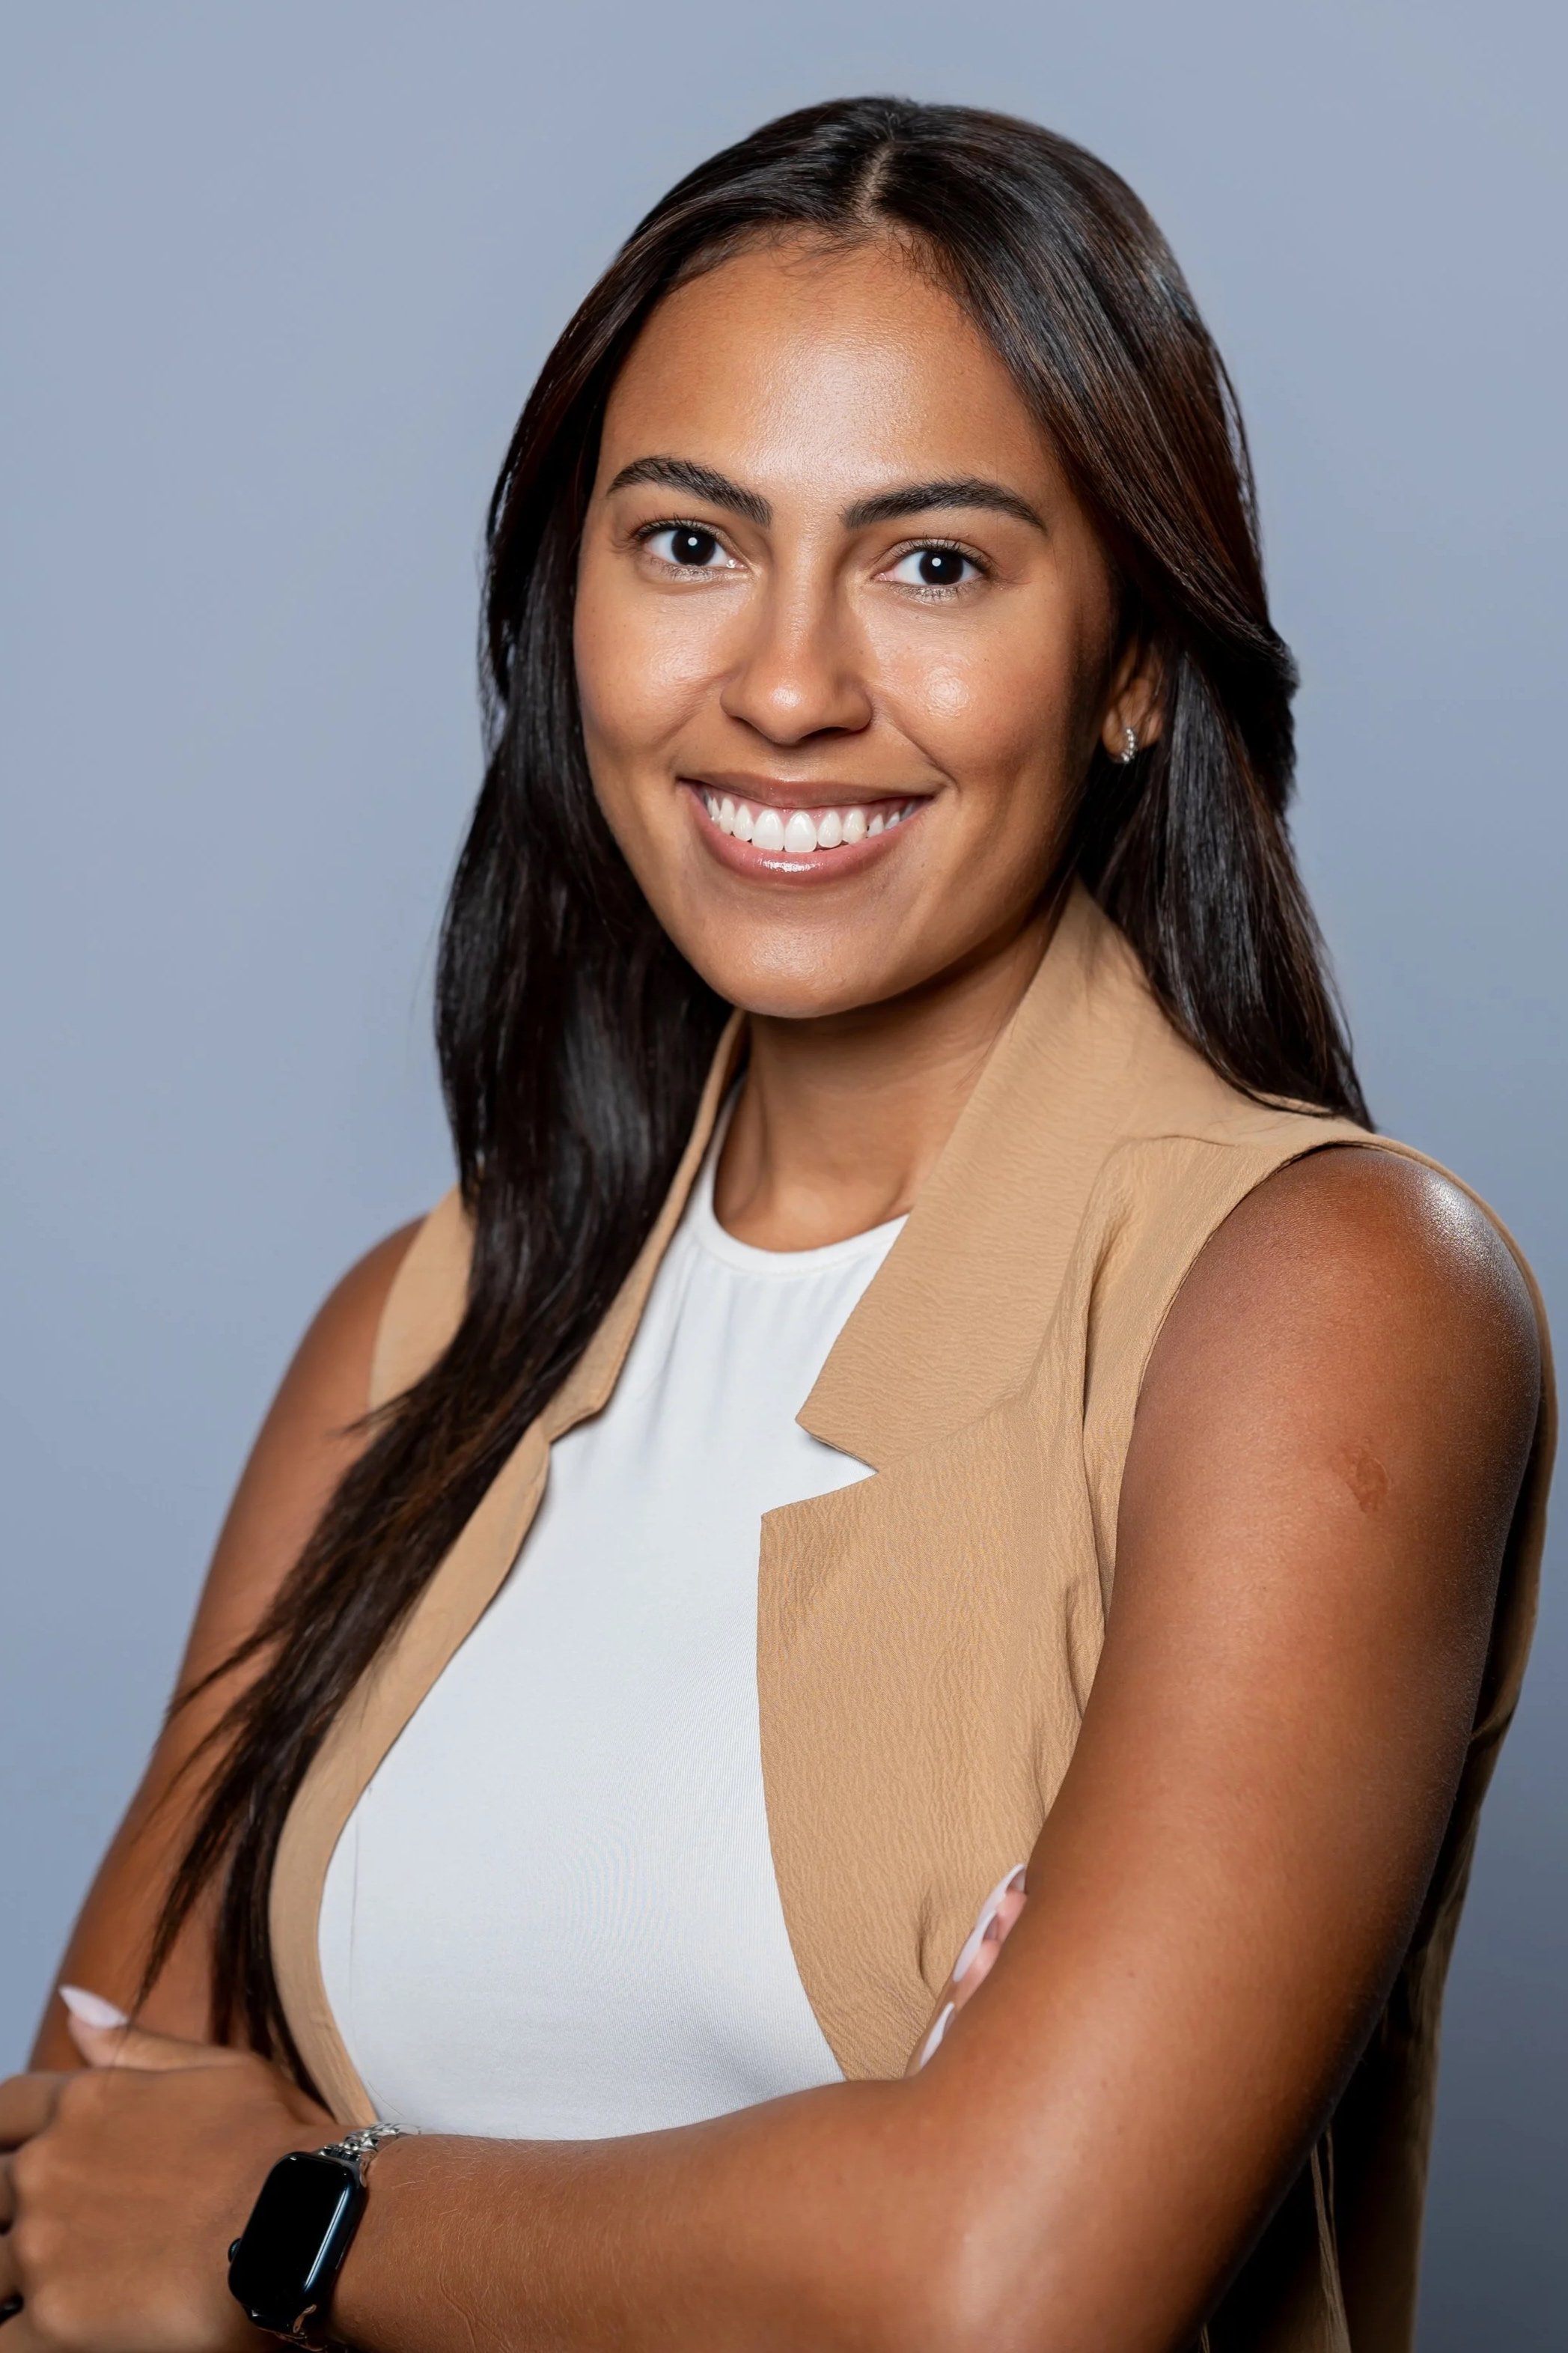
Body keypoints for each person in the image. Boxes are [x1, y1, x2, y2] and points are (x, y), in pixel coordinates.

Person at [0, 97, 1550, 2353]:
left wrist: (302, 2224)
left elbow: (1009, 2278)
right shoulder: (421, 1327)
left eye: (936, 567)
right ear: (573, 605)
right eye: (690, 543)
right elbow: (70, 2208)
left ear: (1132, 661)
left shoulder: (1328, 1298)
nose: (793, 686)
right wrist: (863, 2171)